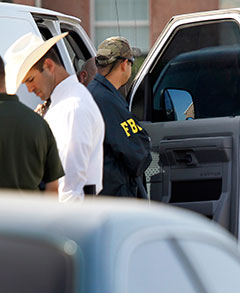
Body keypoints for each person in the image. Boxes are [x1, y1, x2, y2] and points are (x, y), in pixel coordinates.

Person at [4, 32, 105, 202]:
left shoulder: (72, 108)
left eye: (30, 79)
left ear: (49, 66)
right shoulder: (65, 104)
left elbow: (68, 187)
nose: (29, 89)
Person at [88, 37, 152, 198]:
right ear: (125, 64)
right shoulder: (106, 100)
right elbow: (138, 153)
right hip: (114, 196)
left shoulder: (94, 92)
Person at [0, 54, 64, 192]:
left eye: (30, 79)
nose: (29, 89)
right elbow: (53, 188)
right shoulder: (39, 124)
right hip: (29, 212)